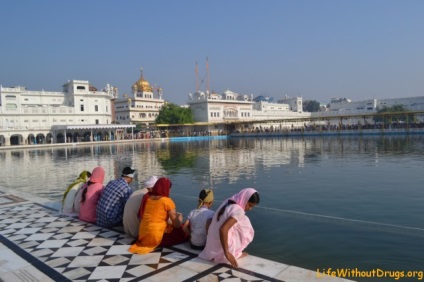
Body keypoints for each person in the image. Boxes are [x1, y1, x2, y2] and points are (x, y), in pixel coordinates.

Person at [199, 188, 260, 268]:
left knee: (243, 220)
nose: (249, 208)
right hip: (220, 245)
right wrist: (227, 252)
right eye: (249, 205)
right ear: (244, 199)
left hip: (211, 244)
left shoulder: (228, 201)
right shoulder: (239, 211)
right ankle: (236, 253)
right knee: (247, 226)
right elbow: (223, 229)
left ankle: (224, 252)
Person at [128, 177, 188, 254]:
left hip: (143, 235)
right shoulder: (167, 201)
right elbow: (177, 225)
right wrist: (179, 217)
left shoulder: (149, 198)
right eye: (169, 188)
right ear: (166, 188)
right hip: (155, 237)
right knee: (183, 230)